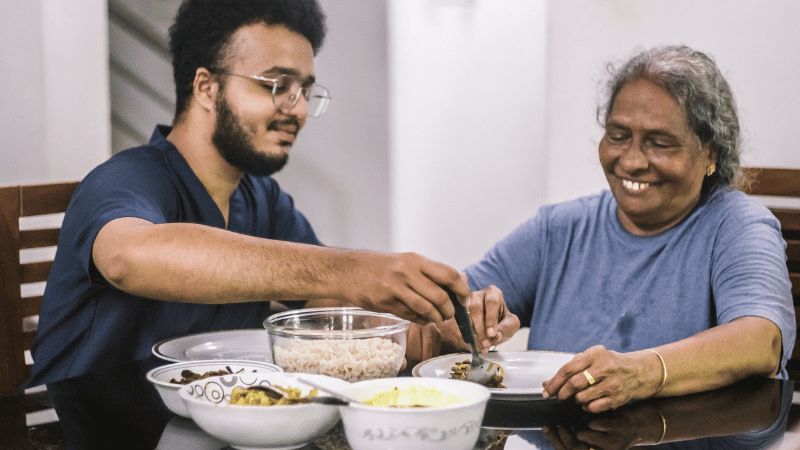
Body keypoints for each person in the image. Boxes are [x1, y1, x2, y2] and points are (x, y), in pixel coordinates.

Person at [27, 0, 516, 390]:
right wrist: (351, 267)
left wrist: (432, 336)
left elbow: (330, 311)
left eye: (304, 89)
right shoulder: (126, 178)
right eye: (276, 85)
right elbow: (128, 257)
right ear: (205, 87)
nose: (297, 109)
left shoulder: (263, 201)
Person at [463, 45, 795, 413]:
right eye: (618, 136)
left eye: (660, 143)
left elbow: (761, 342)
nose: (632, 161)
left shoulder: (738, 226)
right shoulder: (558, 229)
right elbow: (454, 309)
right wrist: (475, 317)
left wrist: (641, 372)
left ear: (711, 154)